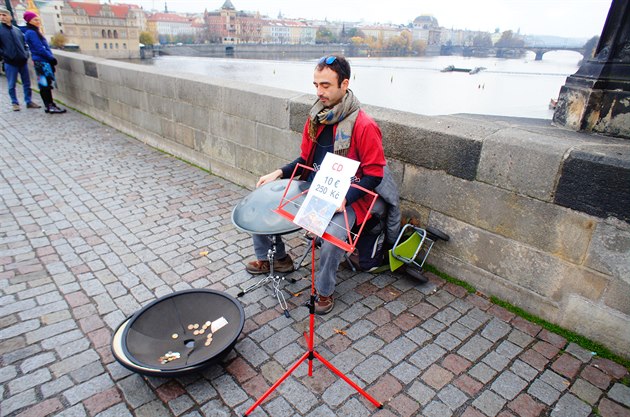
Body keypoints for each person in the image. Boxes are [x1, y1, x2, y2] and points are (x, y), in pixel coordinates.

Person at [246, 55, 386, 315]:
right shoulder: (316, 118)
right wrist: (278, 172)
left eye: (326, 85)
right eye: (316, 85)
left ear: (345, 84)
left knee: (333, 238)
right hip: (314, 186)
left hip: (348, 198)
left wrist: (346, 199)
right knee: (263, 202)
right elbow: (306, 160)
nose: (319, 92)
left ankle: (324, 290)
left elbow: (375, 174)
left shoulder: (365, 126)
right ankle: (277, 259)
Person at [23, 11, 65, 114]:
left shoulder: (33, 31)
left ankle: (49, 104)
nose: (38, 21)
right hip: (41, 62)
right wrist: (51, 58)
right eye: (35, 20)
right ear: (29, 21)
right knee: (44, 84)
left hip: (40, 61)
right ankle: (49, 105)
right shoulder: (31, 33)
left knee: (45, 84)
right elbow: (39, 48)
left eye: (38, 19)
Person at [0, 6, 40, 111]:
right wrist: (6, 55)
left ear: (10, 17)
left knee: (26, 83)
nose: (2, 17)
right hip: (10, 62)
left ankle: (28, 101)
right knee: (11, 84)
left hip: (22, 61)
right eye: (0, 15)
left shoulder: (17, 30)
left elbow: (25, 45)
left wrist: (26, 54)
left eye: (4, 15)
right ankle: (15, 103)